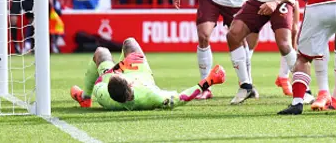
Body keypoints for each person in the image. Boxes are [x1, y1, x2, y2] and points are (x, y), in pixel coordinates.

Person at [70, 37, 226, 110]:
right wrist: (209, 81)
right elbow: (182, 98)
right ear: (129, 83)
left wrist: (117, 68)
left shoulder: (104, 95)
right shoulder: (151, 95)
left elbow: (99, 81)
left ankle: (85, 98)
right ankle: (86, 97)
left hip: (115, 77)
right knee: (130, 42)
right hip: (141, 74)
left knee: (101, 52)